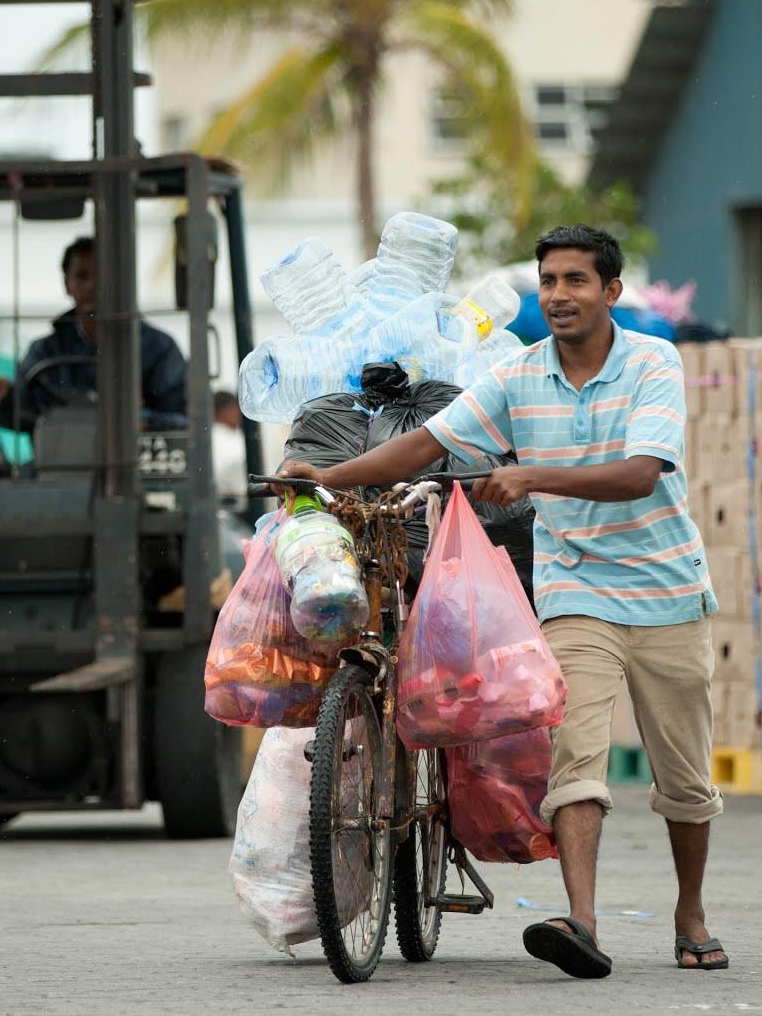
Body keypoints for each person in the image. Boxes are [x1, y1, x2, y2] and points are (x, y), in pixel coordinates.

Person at [278, 224, 727, 978]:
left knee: (684, 781)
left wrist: (531, 475)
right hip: (576, 589)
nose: (559, 295)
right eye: (549, 281)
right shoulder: (518, 375)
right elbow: (426, 443)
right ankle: (580, 922)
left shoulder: (654, 362)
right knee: (576, 759)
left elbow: (642, 472)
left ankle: (690, 912)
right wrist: (329, 473)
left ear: (611, 291)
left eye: (576, 281)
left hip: (667, 588)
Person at [0, 237, 189, 431]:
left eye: (101, 275)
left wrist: (142, 421)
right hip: (60, 471)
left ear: (118, 281)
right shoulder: (45, 351)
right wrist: (5, 396)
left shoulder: (159, 349)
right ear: (67, 284)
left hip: (138, 475)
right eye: (81, 276)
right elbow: (25, 414)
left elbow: (184, 420)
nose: (91, 284)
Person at [211, 391, 247, 512]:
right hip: (231, 507)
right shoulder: (220, 435)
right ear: (223, 411)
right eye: (235, 408)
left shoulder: (234, 433)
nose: (239, 413)